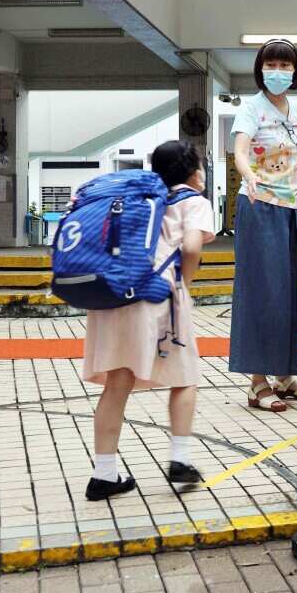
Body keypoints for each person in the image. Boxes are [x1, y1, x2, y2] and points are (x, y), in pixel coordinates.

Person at [83, 140, 214, 500]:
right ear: (192, 171)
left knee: (117, 383)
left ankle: (104, 474)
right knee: (185, 378)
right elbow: (191, 247)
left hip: (115, 294)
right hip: (159, 296)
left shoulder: (135, 198)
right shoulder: (194, 202)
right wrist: (184, 285)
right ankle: (180, 460)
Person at [229, 39, 297, 413]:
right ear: (261, 69)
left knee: (291, 293)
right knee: (263, 292)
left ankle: (284, 374)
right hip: (260, 205)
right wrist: (248, 175)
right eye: (272, 64)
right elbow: (240, 151)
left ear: (295, 71)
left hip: (293, 208)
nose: (278, 71)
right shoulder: (251, 109)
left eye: (285, 65)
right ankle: (257, 382)